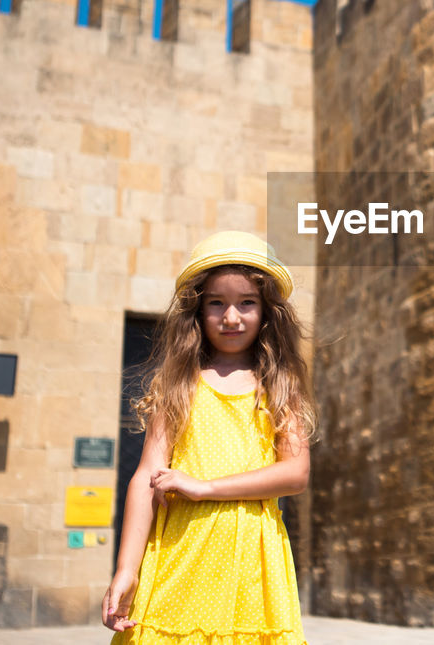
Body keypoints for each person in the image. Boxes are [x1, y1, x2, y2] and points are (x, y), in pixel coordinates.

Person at [102, 231, 316, 644]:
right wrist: (126, 569)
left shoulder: (279, 385)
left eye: (247, 303)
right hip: (179, 557)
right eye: (216, 303)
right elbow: (146, 476)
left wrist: (206, 488)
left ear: (268, 312)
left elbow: (295, 473)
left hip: (251, 565)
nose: (231, 317)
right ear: (197, 311)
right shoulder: (177, 385)